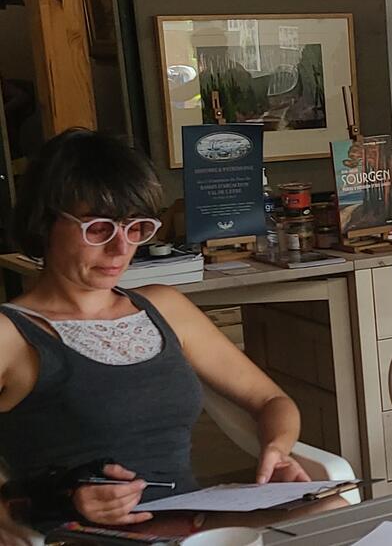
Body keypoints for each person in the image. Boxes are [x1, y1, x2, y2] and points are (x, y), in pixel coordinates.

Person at [0, 129, 311, 529]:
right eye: (98, 229)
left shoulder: (164, 306)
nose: (121, 249)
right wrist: (55, 499)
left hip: (191, 520)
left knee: (331, 511)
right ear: (45, 223)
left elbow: (271, 400)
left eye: (136, 228)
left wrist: (277, 449)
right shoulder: (12, 333)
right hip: (89, 534)